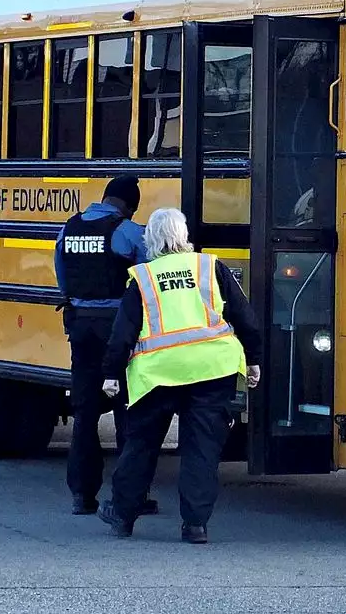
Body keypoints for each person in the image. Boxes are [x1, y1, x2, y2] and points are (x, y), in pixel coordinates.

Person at [98, 207, 263, 544]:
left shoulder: (143, 278)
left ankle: (123, 516)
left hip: (158, 374)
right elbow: (244, 315)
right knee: (201, 448)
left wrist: (112, 374)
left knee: (140, 445)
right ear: (184, 236)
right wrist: (253, 360)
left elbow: (122, 334)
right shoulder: (209, 267)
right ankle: (195, 525)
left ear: (151, 241)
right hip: (211, 369)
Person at [54, 174, 158, 517]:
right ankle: (131, 497)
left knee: (84, 414)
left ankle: (82, 496)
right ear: (130, 204)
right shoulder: (127, 231)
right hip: (118, 331)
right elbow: (150, 275)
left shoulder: (69, 229)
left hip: (81, 328)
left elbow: (64, 279)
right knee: (128, 411)